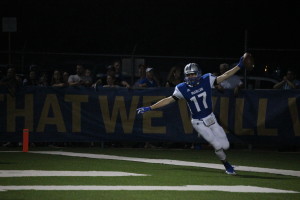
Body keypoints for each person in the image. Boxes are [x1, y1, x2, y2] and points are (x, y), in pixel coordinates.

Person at [137, 54, 247, 175]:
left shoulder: (207, 79)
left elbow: (225, 75)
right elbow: (168, 100)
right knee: (216, 145)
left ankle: (225, 159)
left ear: (198, 73)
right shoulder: (182, 88)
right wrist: (150, 107)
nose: (191, 76)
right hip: (198, 121)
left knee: (225, 145)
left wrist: (239, 66)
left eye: (193, 74)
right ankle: (227, 166)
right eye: (188, 75)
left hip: (211, 118)